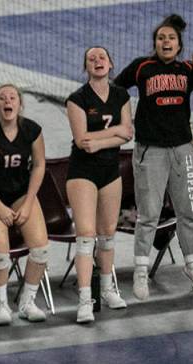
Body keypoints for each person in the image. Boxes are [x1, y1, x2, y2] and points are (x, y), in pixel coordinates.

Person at [115, 14, 193, 299]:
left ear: (179, 44)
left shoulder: (187, 69)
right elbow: (116, 91)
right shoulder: (141, 67)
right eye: (161, 38)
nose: (165, 42)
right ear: (154, 44)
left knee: (188, 212)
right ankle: (141, 272)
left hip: (183, 150)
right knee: (149, 215)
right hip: (151, 151)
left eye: (171, 38)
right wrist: (125, 122)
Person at [0, 83, 50, 325]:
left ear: (20, 103)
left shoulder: (32, 131)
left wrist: (27, 204)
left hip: (20, 194)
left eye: (12, 97)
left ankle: (27, 301)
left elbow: (39, 165)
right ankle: (0, 303)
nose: (8, 101)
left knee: (41, 249)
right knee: (0, 251)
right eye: (2, 98)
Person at [66, 46, 133, 323]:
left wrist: (103, 139)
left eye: (102, 57)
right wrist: (115, 133)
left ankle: (106, 289)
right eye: (91, 59)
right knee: (85, 236)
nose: (97, 62)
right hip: (82, 172)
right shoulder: (77, 99)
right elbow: (83, 141)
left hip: (110, 171)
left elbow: (128, 133)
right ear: (86, 67)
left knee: (107, 233)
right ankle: (85, 300)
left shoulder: (121, 96)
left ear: (111, 63)